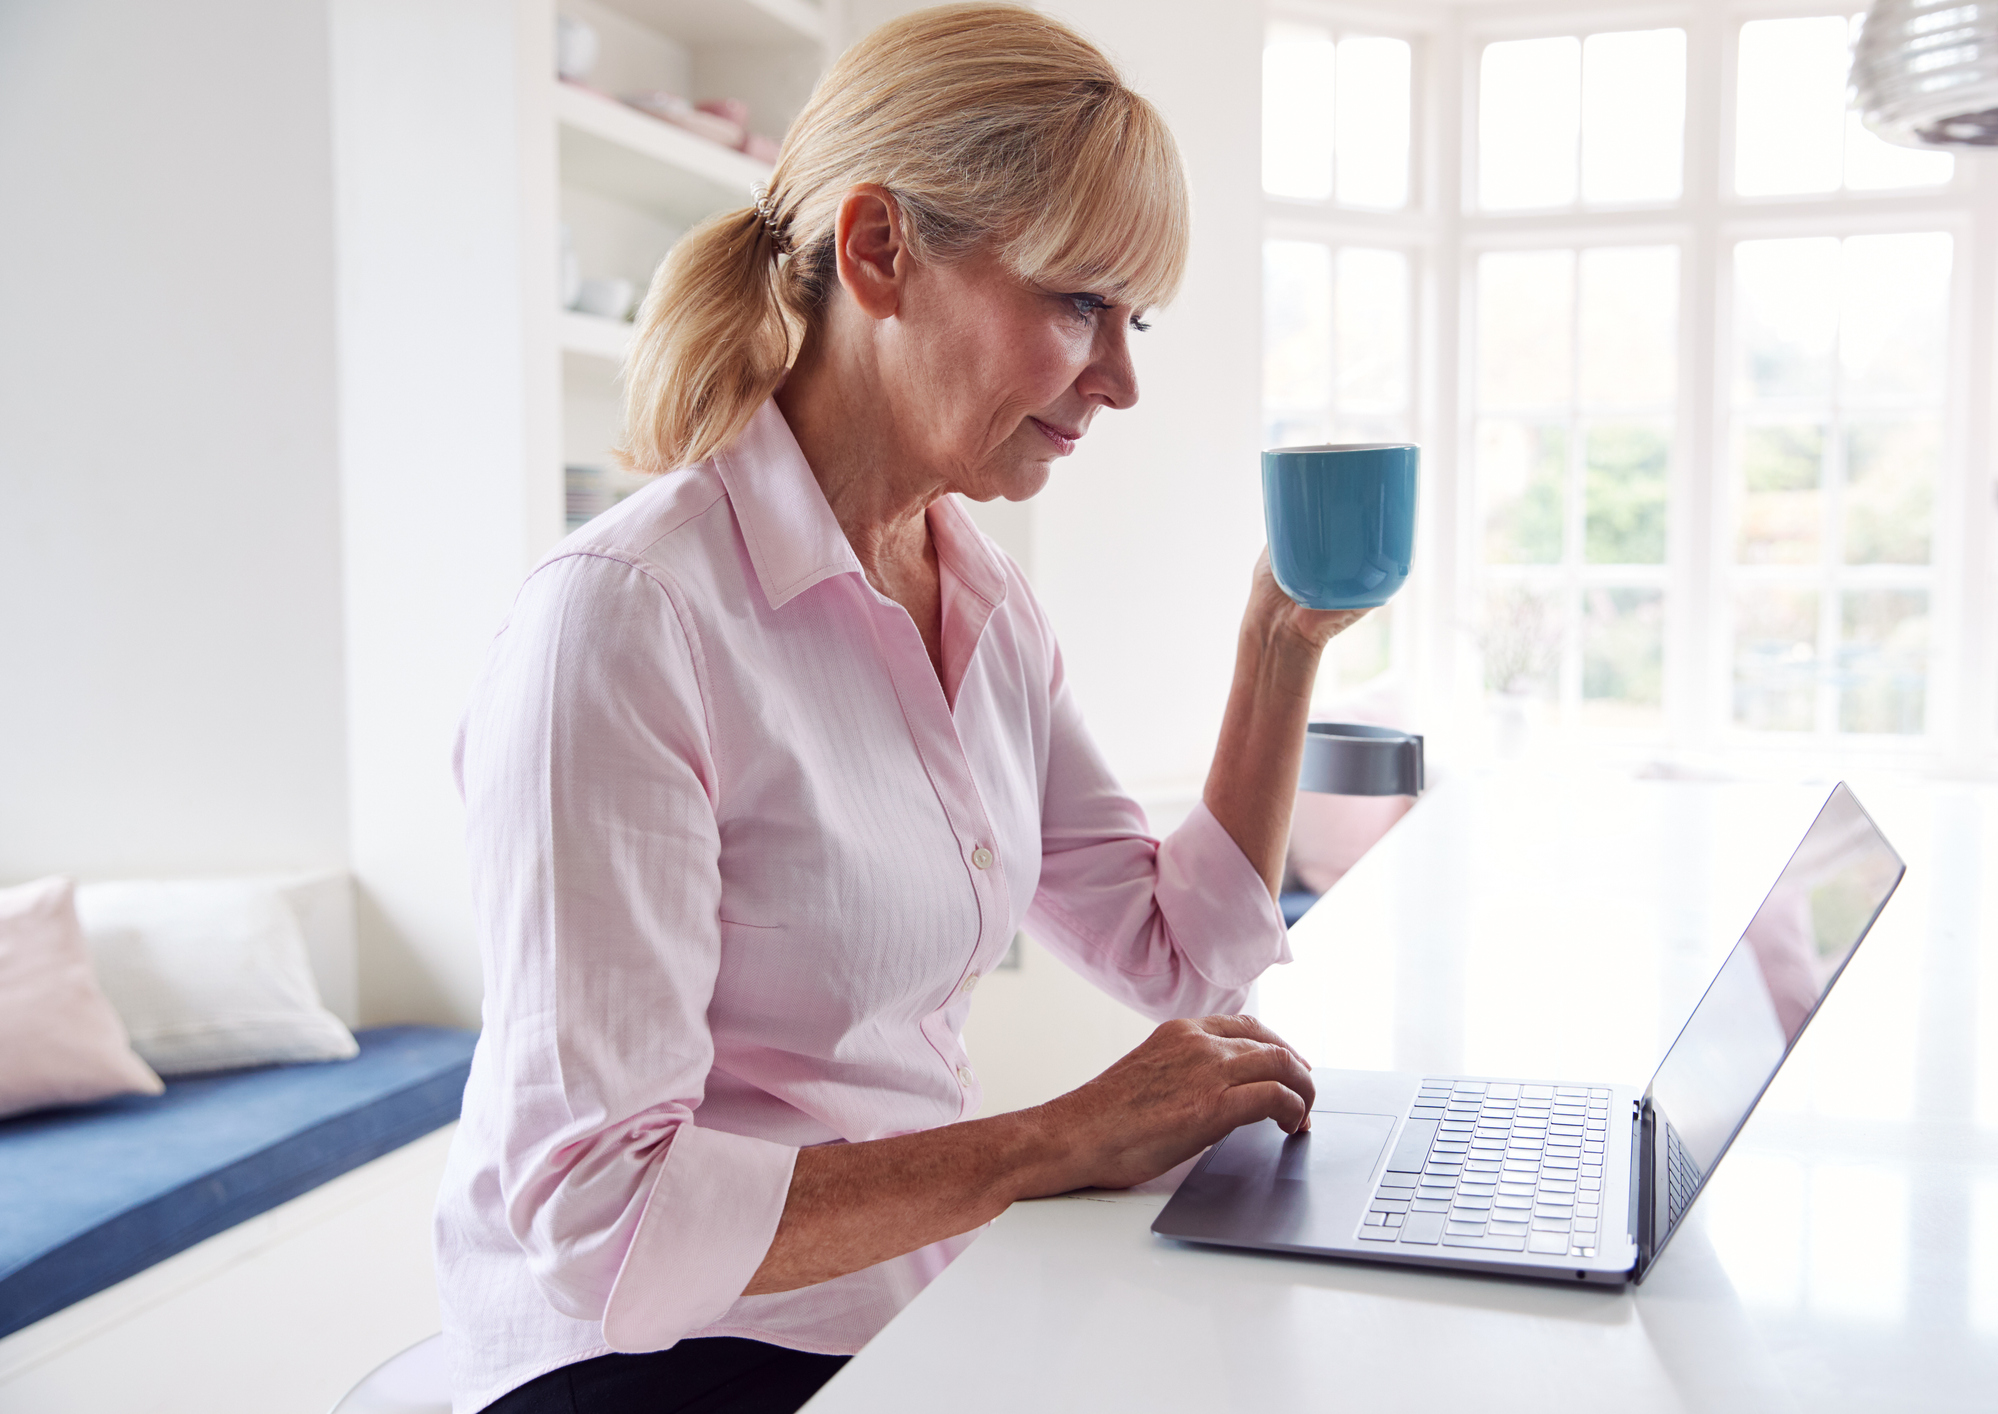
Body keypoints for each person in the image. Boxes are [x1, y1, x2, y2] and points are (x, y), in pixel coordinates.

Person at [436, 6, 1370, 1411]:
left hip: (904, 1297)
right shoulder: (628, 618)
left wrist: (1279, 636)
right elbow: (599, 1221)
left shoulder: (977, 595)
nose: (1119, 379)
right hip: (653, 1359)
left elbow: (1175, 955)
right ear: (877, 251)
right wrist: (1050, 1139)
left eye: (1137, 318)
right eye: (1078, 304)